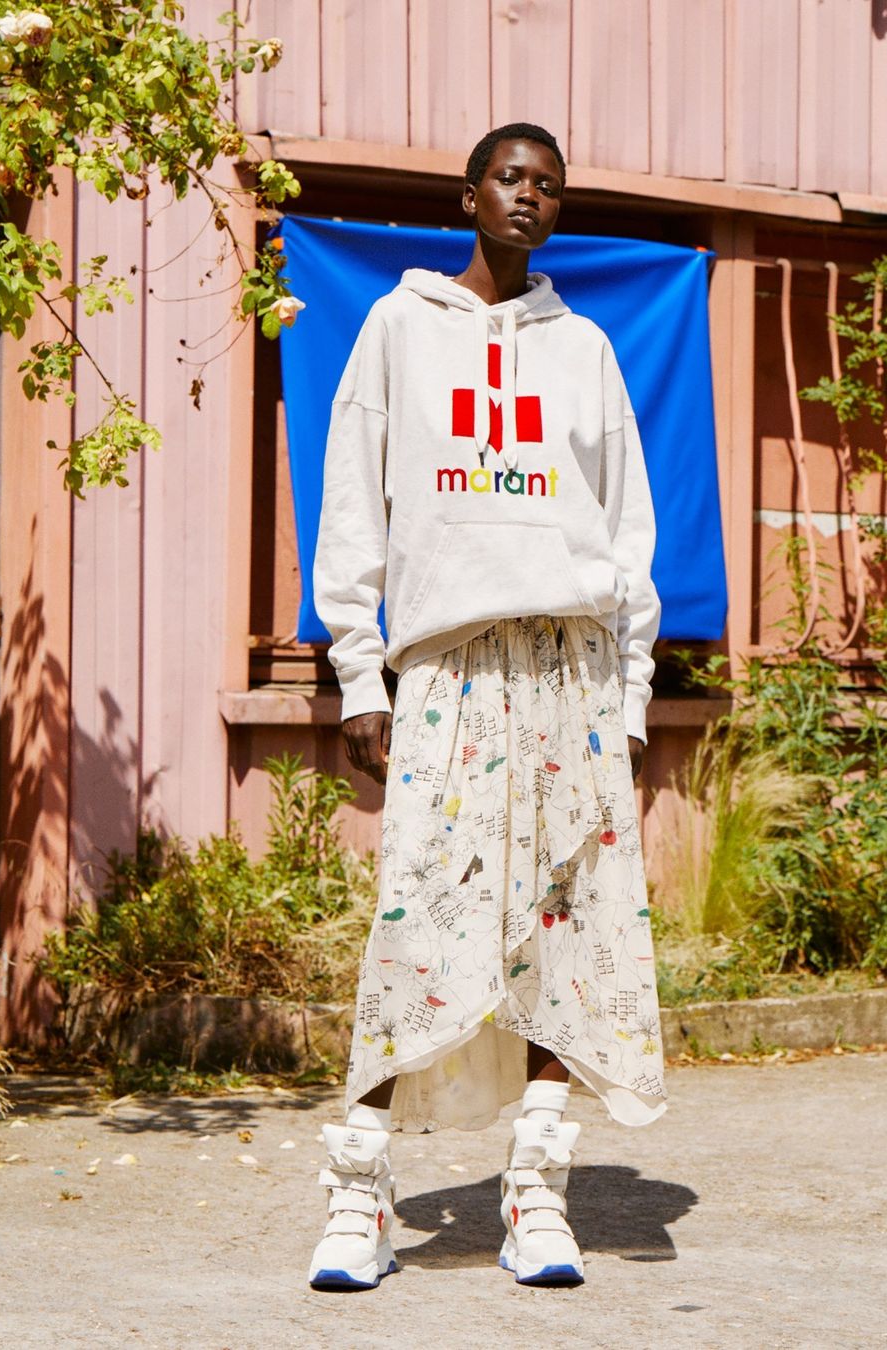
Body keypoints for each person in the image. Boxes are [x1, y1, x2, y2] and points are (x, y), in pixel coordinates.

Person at [308, 122, 666, 1291]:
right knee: (418, 913)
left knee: (567, 924)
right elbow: (353, 500)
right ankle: (360, 1191)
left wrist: (629, 695)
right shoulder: (399, 328)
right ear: (469, 195)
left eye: (549, 185)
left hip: (569, 666)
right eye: (511, 178)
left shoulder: (586, 349)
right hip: (450, 666)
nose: (530, 197)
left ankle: (537, 1190)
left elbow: (627, 528)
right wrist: (360, 671)